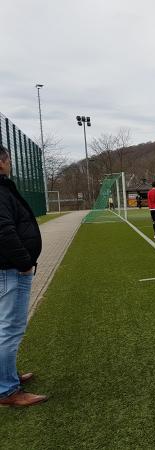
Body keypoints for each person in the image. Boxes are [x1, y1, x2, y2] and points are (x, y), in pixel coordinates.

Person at [0, 145, 47, 408]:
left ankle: (6, 377)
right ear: (1, 162)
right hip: (11, 270)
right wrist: (24, 262)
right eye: (9, 159)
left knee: (5, 328)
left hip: (8, 269)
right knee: (10, 329)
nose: (11, 163)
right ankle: (7, 390)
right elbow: (3, 231)